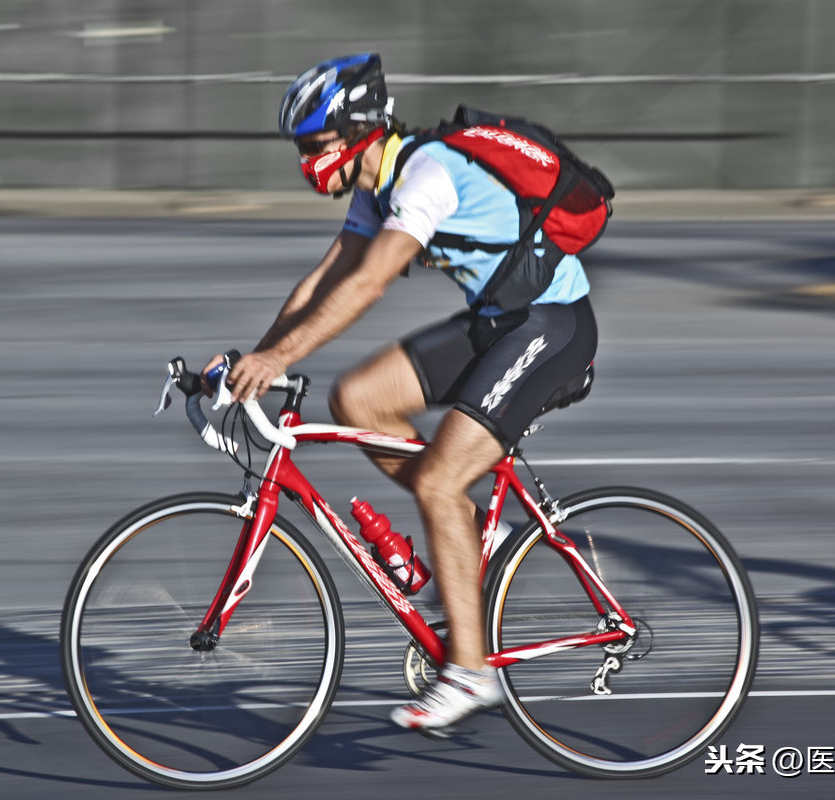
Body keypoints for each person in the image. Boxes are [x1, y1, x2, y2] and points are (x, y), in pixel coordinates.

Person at [213, 53, 598, 733]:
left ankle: (471, 674)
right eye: (300, 148)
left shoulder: (425, 175)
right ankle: (482, 531)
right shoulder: (374, 185)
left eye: (314, 144)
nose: (305, 160)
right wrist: (257, 353)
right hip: (497, 324)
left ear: (358, 129)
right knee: (358, 398)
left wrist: (278, 359)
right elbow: (323, 283)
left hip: (552, 326)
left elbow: (368, 285)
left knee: (438, 486)